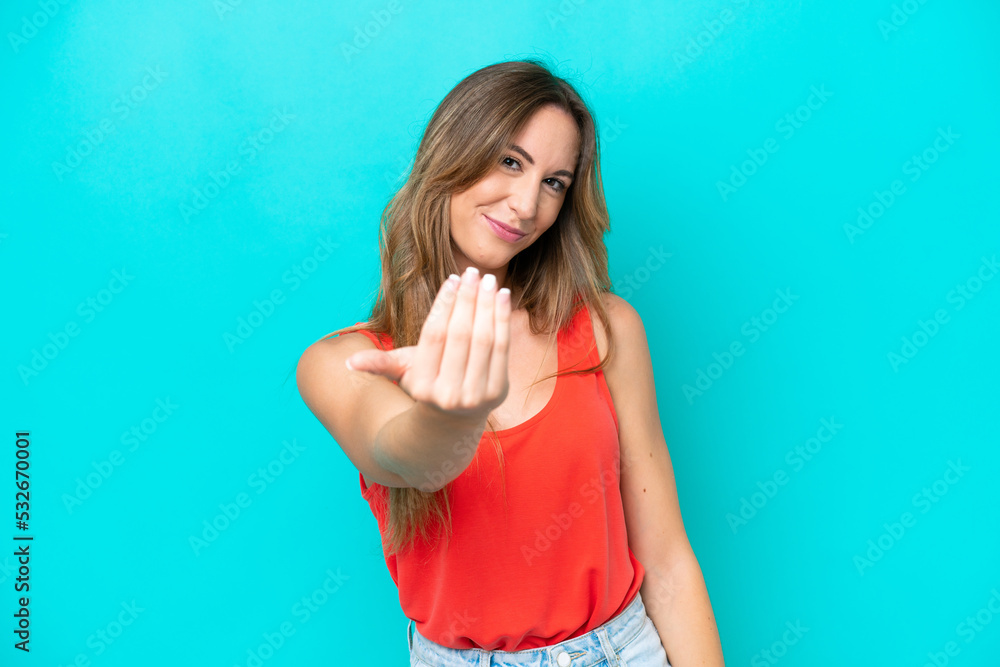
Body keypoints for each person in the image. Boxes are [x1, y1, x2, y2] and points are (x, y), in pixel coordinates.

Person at [296, 59, 725, 666]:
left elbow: (667, 559)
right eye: (510, 161)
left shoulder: (608, 330)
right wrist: (452, 414)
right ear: (453, 151)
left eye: (555, 182)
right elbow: (401, 455)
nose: (527, 204)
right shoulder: (347, 361)